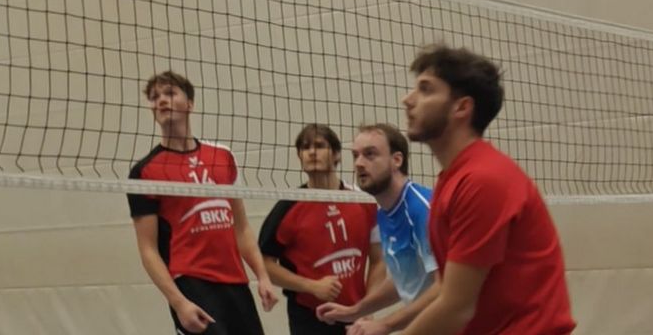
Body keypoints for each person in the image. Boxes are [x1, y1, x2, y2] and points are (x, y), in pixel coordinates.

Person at [398, 44, 574, 335]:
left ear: (462, 107)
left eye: (425, 89)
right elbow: (447, 289)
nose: (408, 99)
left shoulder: (482, 180)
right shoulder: (455, 178)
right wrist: (386, 324)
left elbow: (456, 307)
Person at [127, 71, 278, 335]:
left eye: (169, 93)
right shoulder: (145, 171)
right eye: (154, 97)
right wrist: (178, 302)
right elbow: (148, 250)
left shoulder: (222, 157)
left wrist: (262, 276)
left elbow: (241, 227)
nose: (161, 100)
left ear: (190, 103)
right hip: (191, 283)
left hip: (235, 282)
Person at [258, 124, 382, 335]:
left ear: (337, 154)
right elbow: (264, 264)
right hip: (310, 318)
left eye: (319, 146)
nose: (312, 152)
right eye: (305, 148)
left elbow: (379, 260)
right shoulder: (288, 207)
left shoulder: (363, 201)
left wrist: (367, 307)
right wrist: (311, 286)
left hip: (355, 316)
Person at [315, 124, 437, 335]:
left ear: (396, 160)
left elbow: (447, 287)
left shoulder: (421, 210)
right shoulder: (384, 213)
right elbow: (405, 280)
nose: (359, 163)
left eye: (370, 154)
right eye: (355, 155)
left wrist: (385, 324)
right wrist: (355, 311)